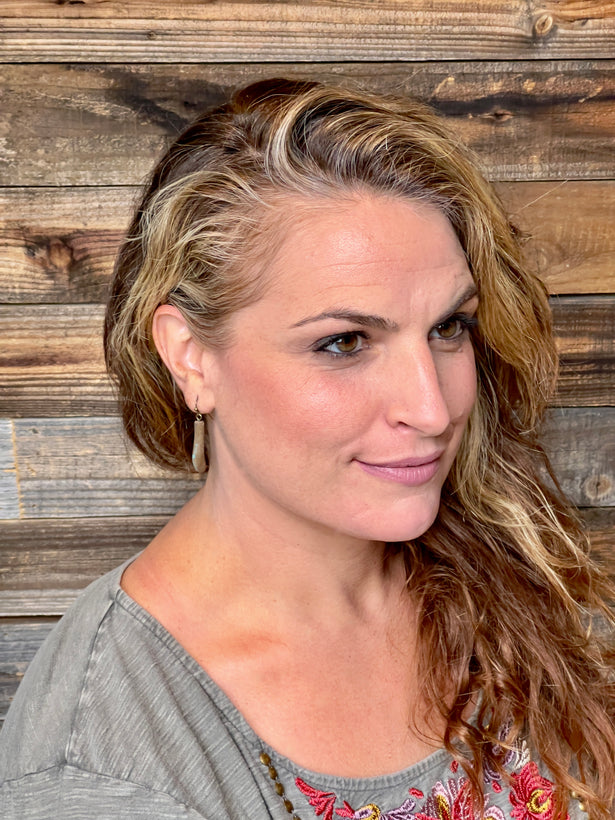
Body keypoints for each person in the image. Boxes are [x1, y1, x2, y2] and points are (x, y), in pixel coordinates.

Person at [0, 78, 613, 820]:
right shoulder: (100, 763)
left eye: (448, 328)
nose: (431, 409)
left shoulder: (499, 569)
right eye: (344, 342)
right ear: (191, 357)